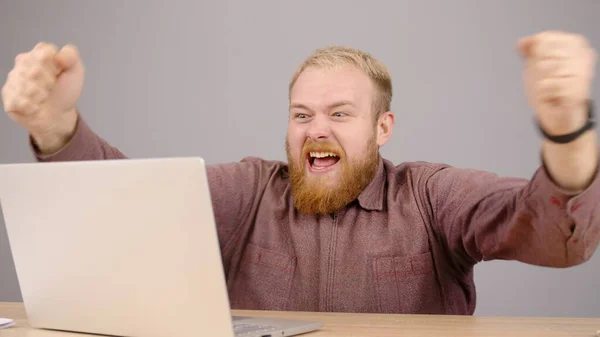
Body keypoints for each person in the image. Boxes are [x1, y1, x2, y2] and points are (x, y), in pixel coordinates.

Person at [2, 30, 599, 315]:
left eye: (341, 113)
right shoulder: (247, 190)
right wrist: (57, 126)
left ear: (382, 128)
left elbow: (547, 230)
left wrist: (567, 129)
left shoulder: (430, 194)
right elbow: (129, 211)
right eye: (302, 114)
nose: (317, 129)